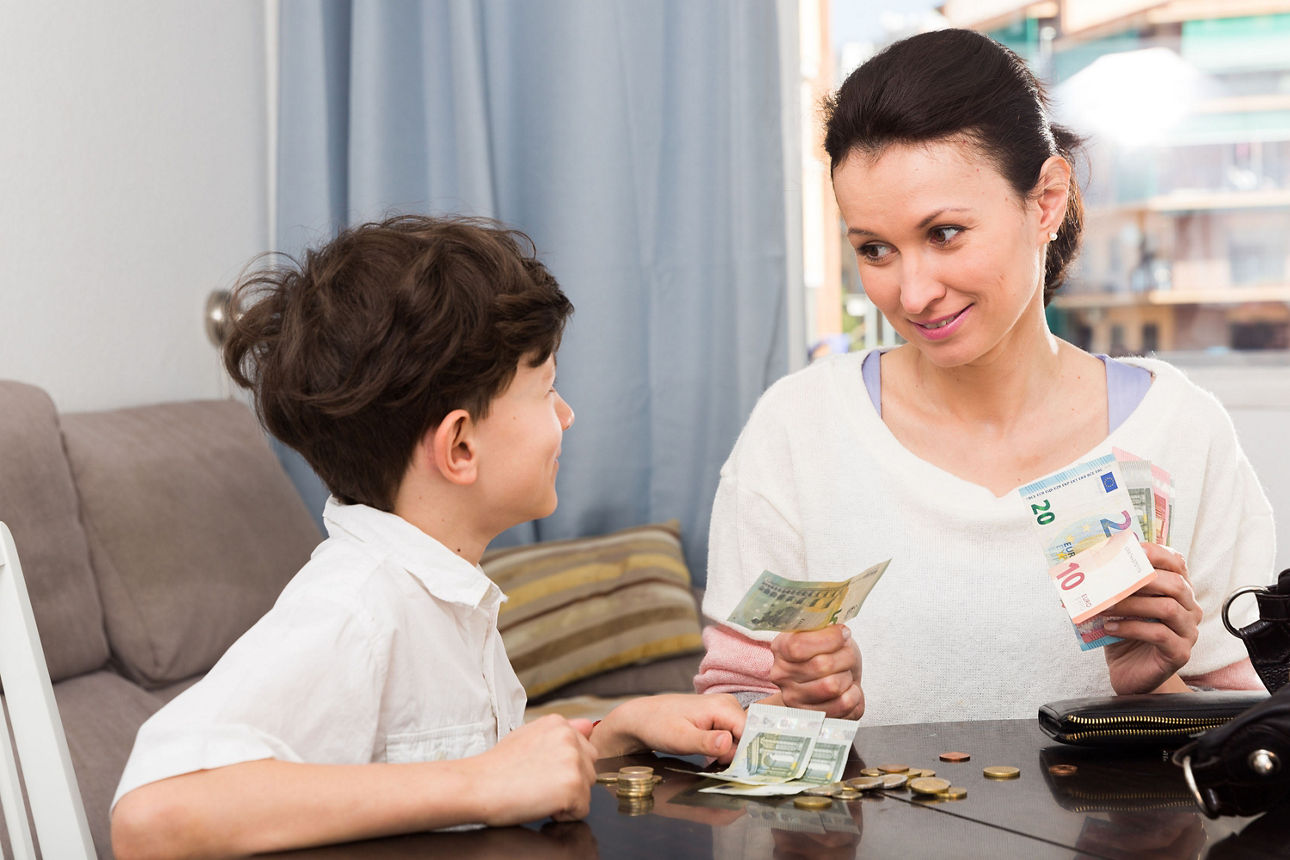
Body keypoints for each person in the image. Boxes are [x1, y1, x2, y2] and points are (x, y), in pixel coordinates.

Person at [110, 215, 745, 858]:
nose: (566, 414)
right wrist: (477, 782)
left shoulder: (446, 595)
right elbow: (150, 816)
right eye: (547, 389)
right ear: (460, 446)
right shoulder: (356, 608)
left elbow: (462, 776)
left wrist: (608, 739)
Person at [696, 29, 1275, 726]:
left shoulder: (1183, 429)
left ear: (1046, 201)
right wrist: (799, 704)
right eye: (875, 249)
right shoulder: (797, 429)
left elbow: (1256, 748)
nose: (912, 295)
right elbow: (729, 721)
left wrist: (1155, 689)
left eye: (944, 234)